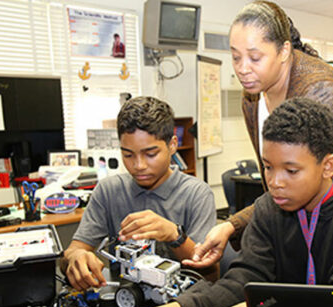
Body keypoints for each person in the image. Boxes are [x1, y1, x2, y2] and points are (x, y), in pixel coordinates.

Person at [89, 98, 333, 307]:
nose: (274, 182)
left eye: (291, 170)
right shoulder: (269, 209)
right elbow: (240, 283)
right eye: (268, 166)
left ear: (329, 166)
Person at [185, 0, 333, 289]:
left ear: (284, 51)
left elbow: (305, 177)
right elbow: (281, 176)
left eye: (254, 57)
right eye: (236, 57)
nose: (243, 69)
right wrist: (233, 224)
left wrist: (233, 223)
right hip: (327, 189)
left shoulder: (322, 90)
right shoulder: (252, 96)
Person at [62, 96, 217, 290]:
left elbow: (210, 273)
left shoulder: (197, 194)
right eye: (128, 155)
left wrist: (174, 235)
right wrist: (76, 257)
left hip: (180, 306)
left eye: (151, 154)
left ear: (172, 145)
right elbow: (74, 250)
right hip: (127, 303)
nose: (138, 166)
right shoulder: (108, 191)